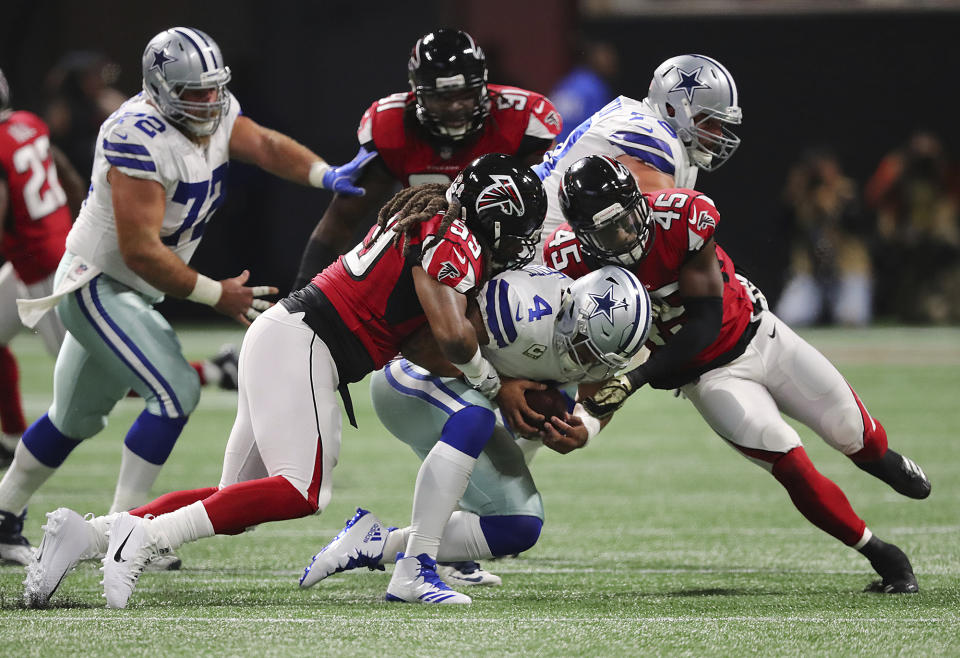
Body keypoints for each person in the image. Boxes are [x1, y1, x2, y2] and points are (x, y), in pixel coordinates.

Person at [23, 152, 548, 609]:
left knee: (239, 501)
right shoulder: (453, 236)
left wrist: (490, 377)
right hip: (306, 343)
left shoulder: (431, 224)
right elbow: (455, 341)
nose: (522, 245)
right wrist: (487, 381)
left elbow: (417, 346)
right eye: (521, 230)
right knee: (303, 490)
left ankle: (87, 535)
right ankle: (141, 535)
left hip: (289, 337)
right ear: (494, 215)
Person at [0, 27, 372, 565]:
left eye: (213, 89)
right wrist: (215, 294)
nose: (209, 102)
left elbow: (263, 144)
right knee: (176, 389)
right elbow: (139, 252)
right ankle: (124, 532)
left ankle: (5, 515)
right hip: (98, 283)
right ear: (158, 89)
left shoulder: (217, 114)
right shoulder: (135, 135)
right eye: (194, 93)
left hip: (132, 290)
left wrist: (324, 174)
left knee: (71, 419)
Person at [545, 155, 931, 594]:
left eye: (631, 218)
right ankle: (884, 555)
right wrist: (589, 422)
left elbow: (706, 321)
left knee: (857, 436)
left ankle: (884, 459)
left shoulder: (679, 219)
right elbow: (595, 359)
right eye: (609, 230)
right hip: (710, 379)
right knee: (790, 462)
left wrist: (639, 378)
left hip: (762, 335)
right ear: (583, 236)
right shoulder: (570, 264)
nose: (628, 234)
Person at [298, 263, 651, 603]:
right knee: (476, 416)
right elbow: (420, 345)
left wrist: (585, 428)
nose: (587, 360)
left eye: (600, 357)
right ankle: (414, 572)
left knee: (519, 526)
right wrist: (499, 386)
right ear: (571, 310)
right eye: (585, 345)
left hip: (467, 401)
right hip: (408, 379)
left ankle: (375, 542)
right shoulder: (520, 306)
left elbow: (595, 390)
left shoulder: (595, 347)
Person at [293, 28, 563, 289]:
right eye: (442, 98)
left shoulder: (521, 120)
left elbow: (548, 206)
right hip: (425, 262)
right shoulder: (392, 125)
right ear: (417, 92)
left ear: (483, 85)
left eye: (465, 94)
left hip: (509, 260)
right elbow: (342, 220)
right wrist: (302, 290)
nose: (456, 106)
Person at [534, 53, 742, 257]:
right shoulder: (654, 138)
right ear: (672, 109)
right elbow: (657, 241)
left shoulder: (640, 119)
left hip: (544, 244)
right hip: (536, 256)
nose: (717, 135)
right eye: (708, 123)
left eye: (721, 125)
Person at [0, 66, 86, 485]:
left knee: (95, 379)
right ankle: (13, 436)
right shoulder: (27, 124)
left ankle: (212, 370)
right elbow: (65, 171)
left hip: (45, 273)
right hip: (42, 256)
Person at [775, 148, 872, 327]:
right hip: (810, 272)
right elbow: (784, 230)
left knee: (852, 318)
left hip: (846, 269)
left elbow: (858, 227)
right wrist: (794, 199)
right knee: (791, 317)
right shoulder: (800, 194)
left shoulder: (845, 192)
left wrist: (836, 206)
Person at [549, 38, 619, 143]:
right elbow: (600, 129)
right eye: (606, 55)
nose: (612, 60)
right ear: (594, 57)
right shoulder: (594, 87)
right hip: (574, 149)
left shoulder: (568, 80)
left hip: (553, 148)